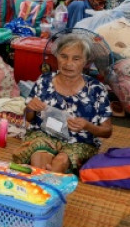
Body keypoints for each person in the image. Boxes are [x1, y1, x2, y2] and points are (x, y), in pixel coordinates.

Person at [12, 34, 112, 173]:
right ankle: (44, 180)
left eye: (76, 58)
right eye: (63, 56)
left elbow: (107, 131)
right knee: (39, 155)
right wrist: (30, 108)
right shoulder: (44, 81)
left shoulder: (96, 89)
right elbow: (29, 118)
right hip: (44, 135)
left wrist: (87, 126)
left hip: (79, 141)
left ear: (86, 62)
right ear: (56, 57)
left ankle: (43, 181)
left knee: (62, 161)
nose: (68, 63)